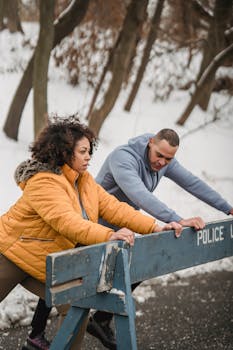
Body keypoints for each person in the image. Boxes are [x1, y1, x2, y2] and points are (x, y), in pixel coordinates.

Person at [0, 117, 182, 350]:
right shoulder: (44, 182)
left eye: (89, 151)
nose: (88, 157)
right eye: (83, 151)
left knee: (78, 307)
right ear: (65, 152)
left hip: (46, 260)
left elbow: (115, 208)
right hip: (11, 253)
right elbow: (67, 222)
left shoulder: (84, 181)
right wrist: (108, 235)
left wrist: (155, 226)